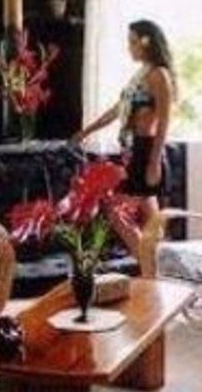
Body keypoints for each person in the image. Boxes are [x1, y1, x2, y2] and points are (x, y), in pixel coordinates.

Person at [71, 19, 177, 268]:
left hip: (147, 151)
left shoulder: (159, 75)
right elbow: (117, 110)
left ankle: (149, 267)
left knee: (115, 211)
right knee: (152, 221)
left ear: (146, 43)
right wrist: (85, 132)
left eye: (132, 42)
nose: (129, 47)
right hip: (134, 151)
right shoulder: (140, 76)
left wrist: (154, 162)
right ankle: (158, 272)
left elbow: (164, 121)